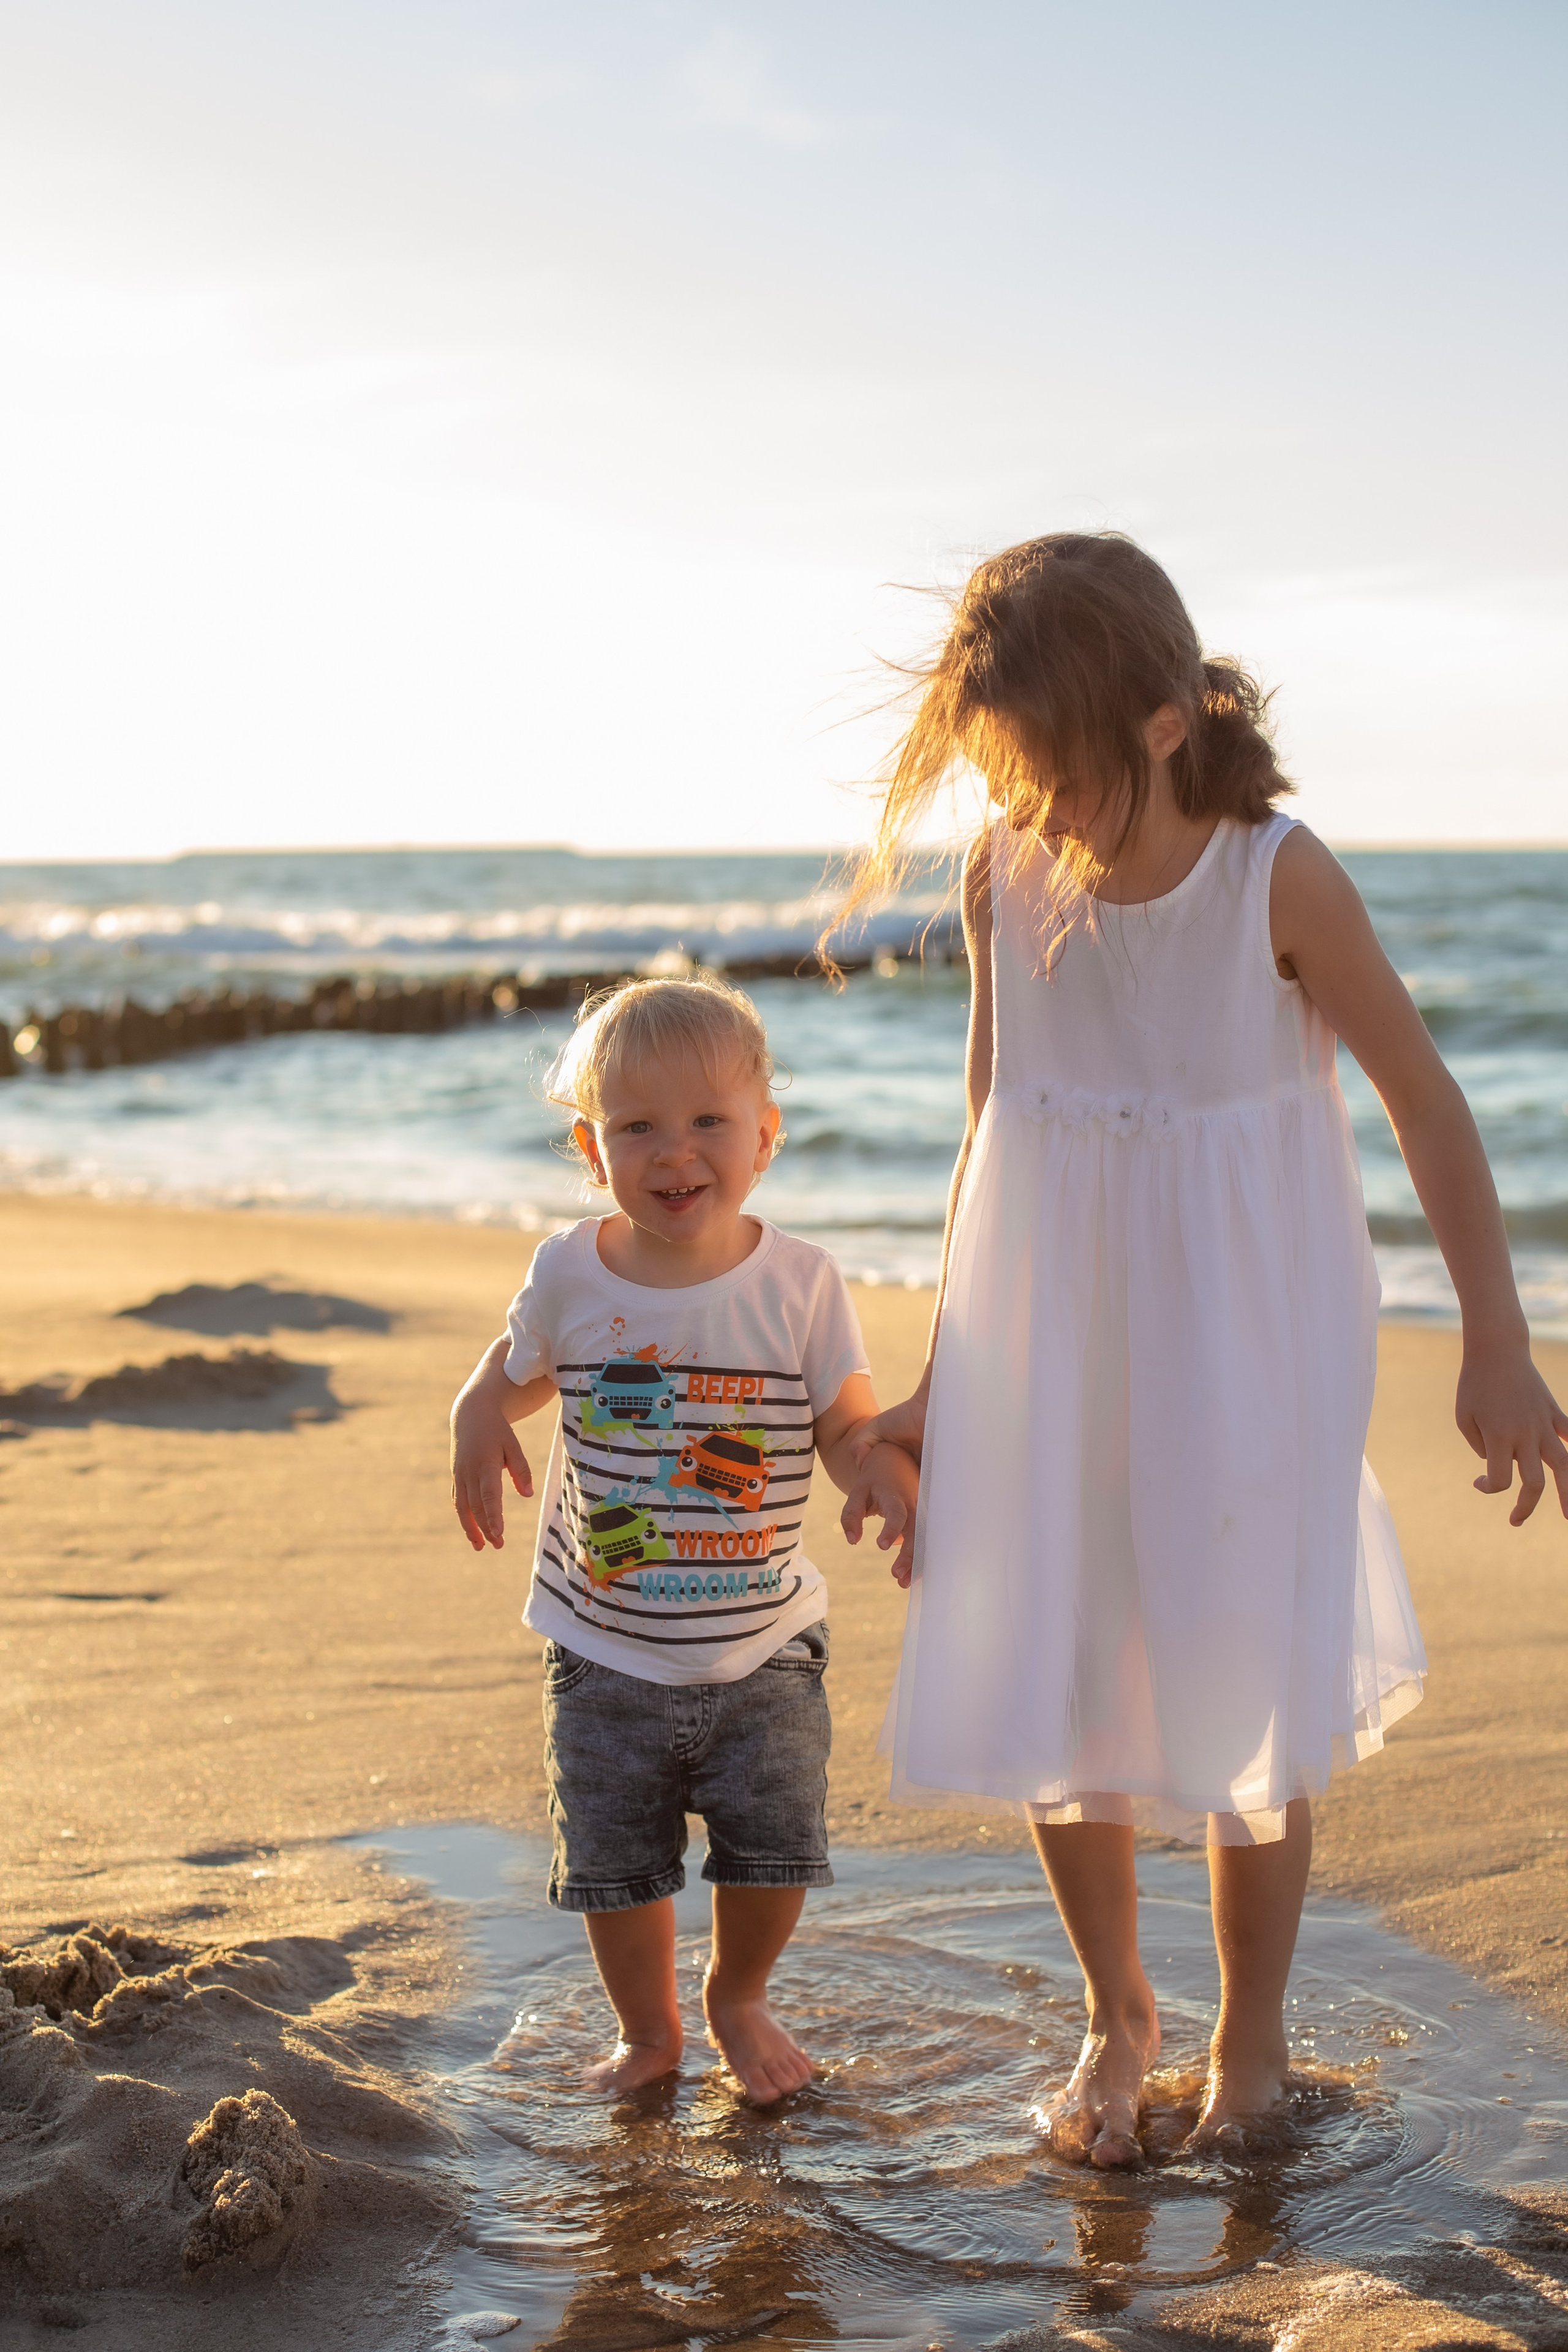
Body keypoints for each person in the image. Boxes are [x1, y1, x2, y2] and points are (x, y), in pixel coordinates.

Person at [842, 531, 1568, 2166]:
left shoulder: (1276, 874)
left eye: (1060, 772)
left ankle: (1250, 2031)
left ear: (1167, 724)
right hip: (1054, 1315)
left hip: (1247, 1326)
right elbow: (991, 1125)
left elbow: (1430, 1109)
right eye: (1006, 774)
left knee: (1242, 1665)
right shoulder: (1004, 873)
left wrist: (1498, 1345)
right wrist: (952, 1386)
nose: (1036, 809)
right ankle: (1119, 2010)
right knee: (1062, 1656)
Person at [450, 974, 918, 2103]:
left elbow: (845, 1426)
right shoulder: (571, 1270)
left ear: (764, 1137)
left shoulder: (799, 1284)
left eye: (710, 1122)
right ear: (589, 1141)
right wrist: (473, 1416)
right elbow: (514, 1372)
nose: (676, 1152)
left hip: (764, 1647)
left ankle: (737, 1994)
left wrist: (883, 1473)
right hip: (603, 1646)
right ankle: (649, 2032)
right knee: (618, 1866)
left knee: (774, 1853)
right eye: (638, 1125)